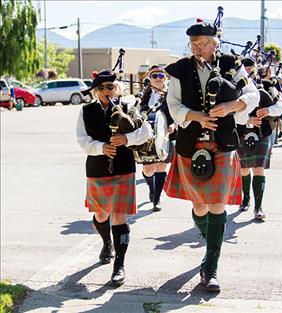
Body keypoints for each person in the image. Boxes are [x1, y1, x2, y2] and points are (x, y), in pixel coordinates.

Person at [164, 20, 259, 292]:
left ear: (215, 43)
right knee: (200, 207)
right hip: (191, 146)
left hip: (222, 145)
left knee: (217, 205)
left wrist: (233, 105)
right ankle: (210, 242)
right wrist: (196, 117)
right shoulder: (180, 69)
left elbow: (252, 93)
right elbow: (173, 104)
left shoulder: (232, 64)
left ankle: (211, 266)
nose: (197, 49)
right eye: (193, 44)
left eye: (202, 44)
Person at [76, 69, 152, 286]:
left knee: (119, 216)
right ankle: (106, 243)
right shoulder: (86, 111)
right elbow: (82, 140)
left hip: (123, 167)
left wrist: (126, 139)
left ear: (116, 87)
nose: (105, 91)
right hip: (97, 167)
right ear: (95, 90)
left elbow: (146, 132)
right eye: (100, 88)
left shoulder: (129, 107)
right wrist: (101, 147)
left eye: (109, 86)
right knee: (101, 214)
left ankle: (119, 265)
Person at [237, 66, 282, 220]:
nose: (249, 70)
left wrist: (268, 110)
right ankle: (246, 199)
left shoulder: (268, 86)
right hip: (242, 132)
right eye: (246, 68)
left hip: (263, 133)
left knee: (258, 168)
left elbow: (281, 105)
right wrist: (247, 119)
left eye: (251, 67)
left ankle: (258, 207)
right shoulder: (236, 87)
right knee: (244, 169)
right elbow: (231, 112)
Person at [138, 65, 176, 212]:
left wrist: (173, 125)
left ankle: (156, 198)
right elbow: (139, 113)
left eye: (161, 76)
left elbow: (177, 111)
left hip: (166, 135)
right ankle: (152, 188)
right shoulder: (144, 95)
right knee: (148, 169)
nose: (158, 79)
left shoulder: (171, 94)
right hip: (148, 137)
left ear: (165, 79)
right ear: (150, 79)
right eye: (155, 76)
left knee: (161, 166)